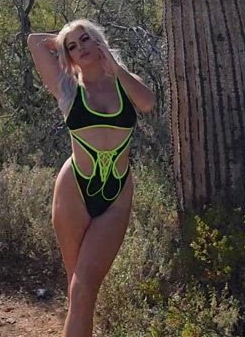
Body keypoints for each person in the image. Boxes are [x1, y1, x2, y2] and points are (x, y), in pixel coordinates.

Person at [27, 19, 156, 337]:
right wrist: (64, 42)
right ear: (66, 55)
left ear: (99, 41)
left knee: (84, 290)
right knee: (79, 292)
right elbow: (34, 41)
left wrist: (112, 64)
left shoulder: (125, 84)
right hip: (74, 191)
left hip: (116, 197)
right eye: (73, 46)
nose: (80, 47)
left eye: (86, 39)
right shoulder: (67, 87)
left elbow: (148, 103)